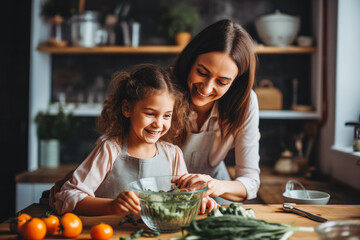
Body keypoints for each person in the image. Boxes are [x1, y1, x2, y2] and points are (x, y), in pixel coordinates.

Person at [50, 64, 217, 215]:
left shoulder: (172, 154)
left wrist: (199, 200)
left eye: (166, 115)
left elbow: (184, 197)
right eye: (150, 113)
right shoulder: (110, 149)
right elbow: (69, 196)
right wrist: (112, 206)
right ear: (127, 109)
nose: (158, 124)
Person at [172, 19, 260, 204]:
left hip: (214, 186)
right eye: (202, 72)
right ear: (190, 61)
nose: (207, 87)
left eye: (222, 82)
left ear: (236, 82)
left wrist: (215, 186)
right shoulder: (163, 89)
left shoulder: (245, 102)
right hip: (161, 187)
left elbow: (251, 182)